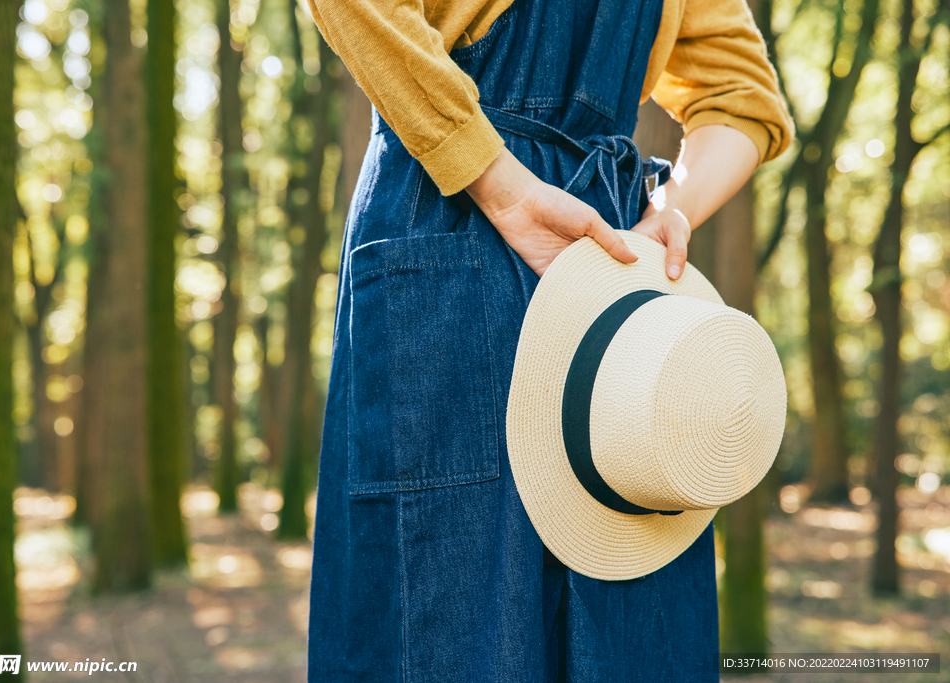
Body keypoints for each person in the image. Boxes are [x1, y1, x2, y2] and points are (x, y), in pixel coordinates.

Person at [305, 0, 794, 679]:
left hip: (608, 277)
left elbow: (745, 94)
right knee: (450, 624)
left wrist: (667, 214)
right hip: (452, 214)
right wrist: (496, 180)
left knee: (630, 627)